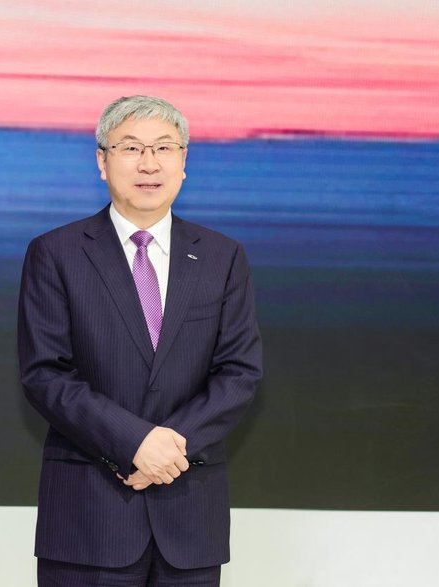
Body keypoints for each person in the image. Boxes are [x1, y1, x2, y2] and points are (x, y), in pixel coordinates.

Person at [18, 95, 262, 586]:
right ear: (102, 161)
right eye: (131, 148)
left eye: (164, 148)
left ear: (183, 161)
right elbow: (46, 374)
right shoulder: (56, 253)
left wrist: (167, 450)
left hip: (189, 519)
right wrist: (134, 443)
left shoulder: (222, 257)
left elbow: (239, 373)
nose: (149, 163)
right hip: (89, 519)